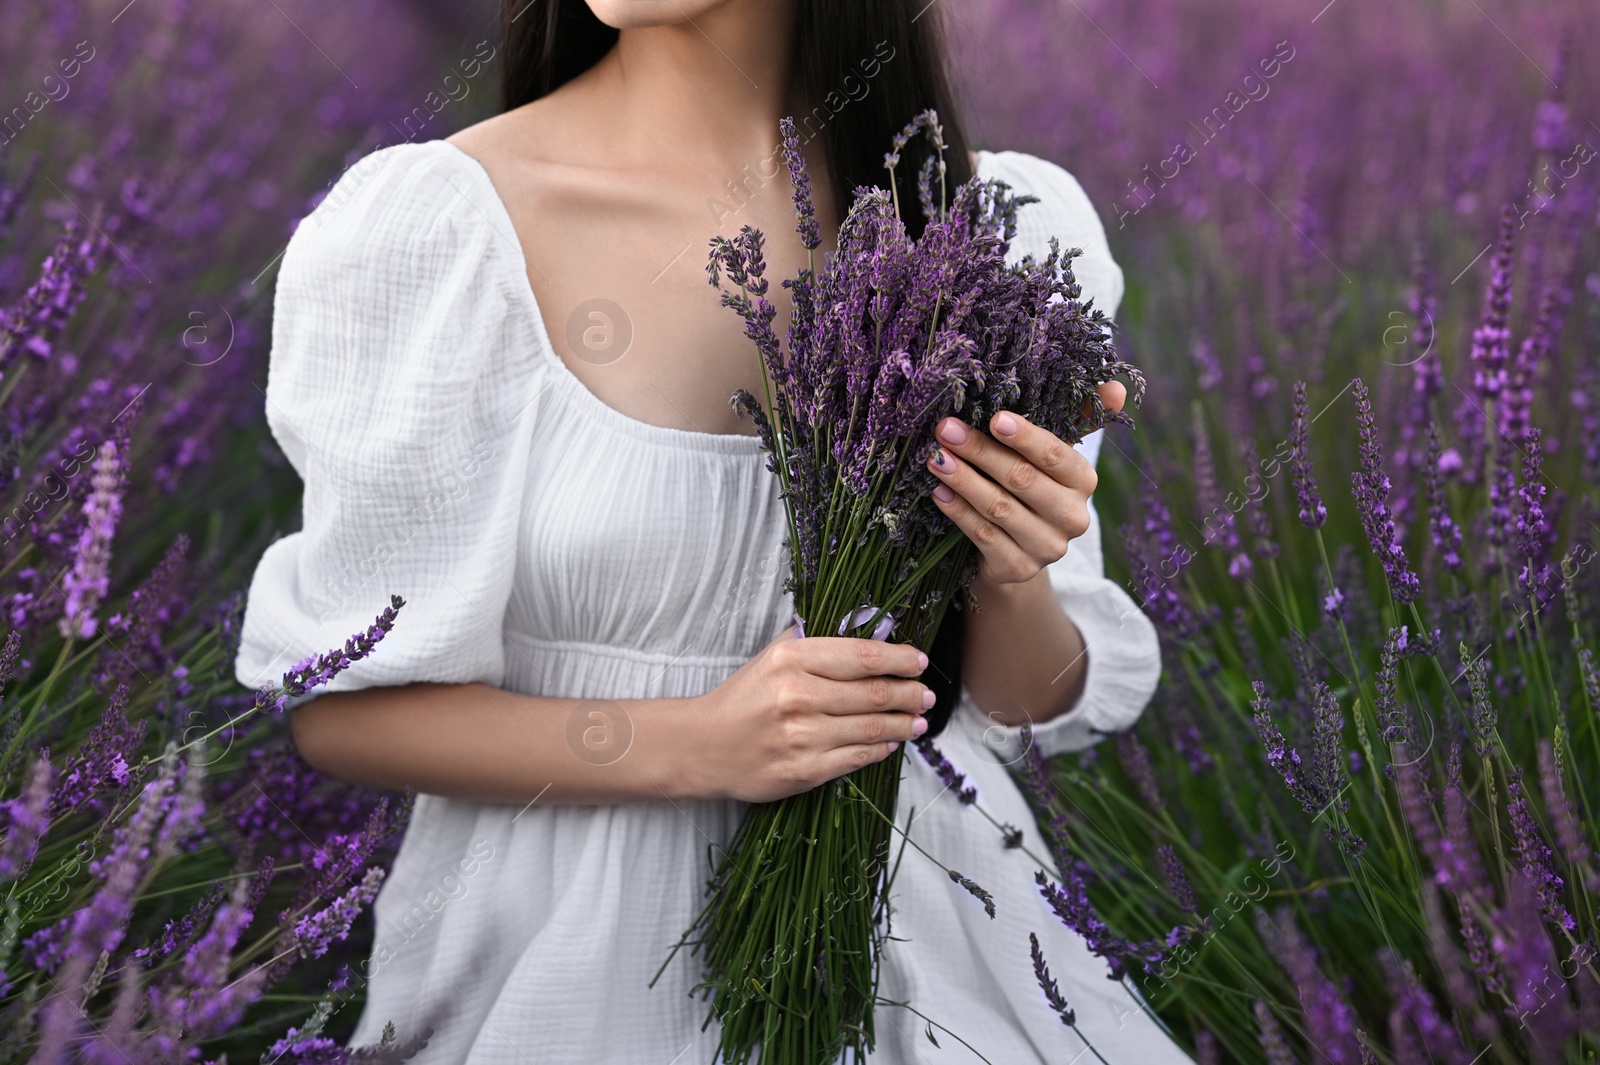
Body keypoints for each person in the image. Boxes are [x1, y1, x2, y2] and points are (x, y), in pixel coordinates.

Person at [233, 0, 1193, 1061]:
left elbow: (1027, 705)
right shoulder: (439, 227)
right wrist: (702, 744)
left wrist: (1011, 569)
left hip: (937, 929)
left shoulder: (1008, 226)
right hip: (567, 951)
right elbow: (341, 708)